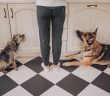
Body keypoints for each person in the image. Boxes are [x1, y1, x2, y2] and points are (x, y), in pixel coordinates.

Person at [36, 0, 66, 71]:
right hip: (59, 6)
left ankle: (46, 65)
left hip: (42, 6)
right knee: (57, 39)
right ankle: (55, 65)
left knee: (44, 39)